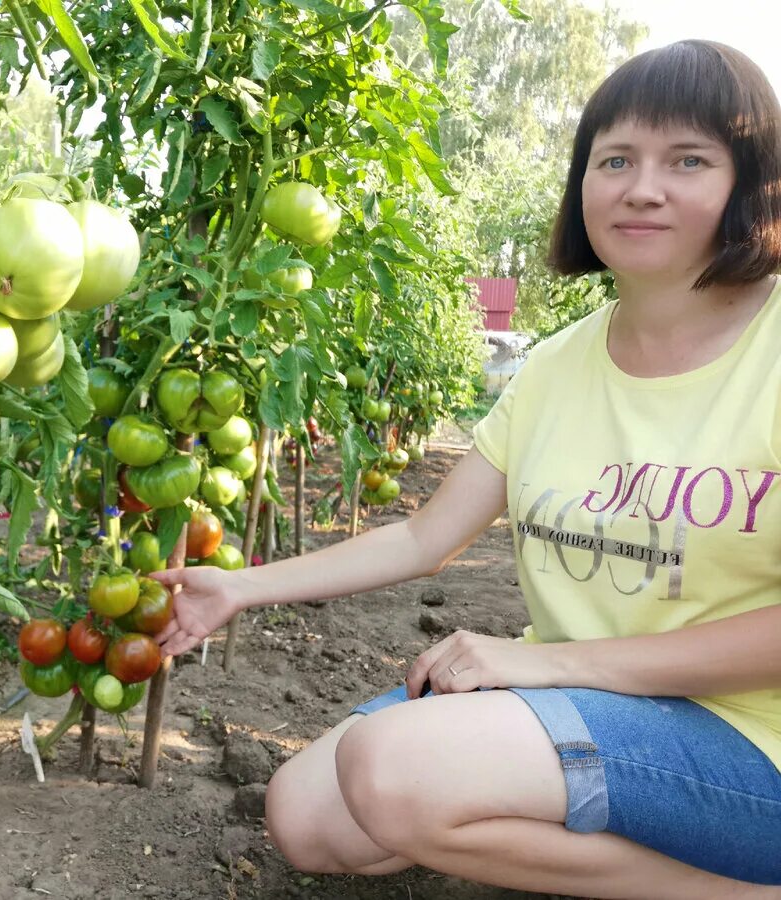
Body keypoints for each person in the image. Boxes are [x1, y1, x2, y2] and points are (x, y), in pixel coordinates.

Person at [151, 40, 781, 899]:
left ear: (750, 185)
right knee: (305, 813)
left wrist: (552, 666)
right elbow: (423, 533)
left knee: (396, 773)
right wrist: (238, 589)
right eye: (616, 159)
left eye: (690, 160)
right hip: (600, 711)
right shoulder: (559, 365)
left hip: (750, 743)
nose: (642, 186)